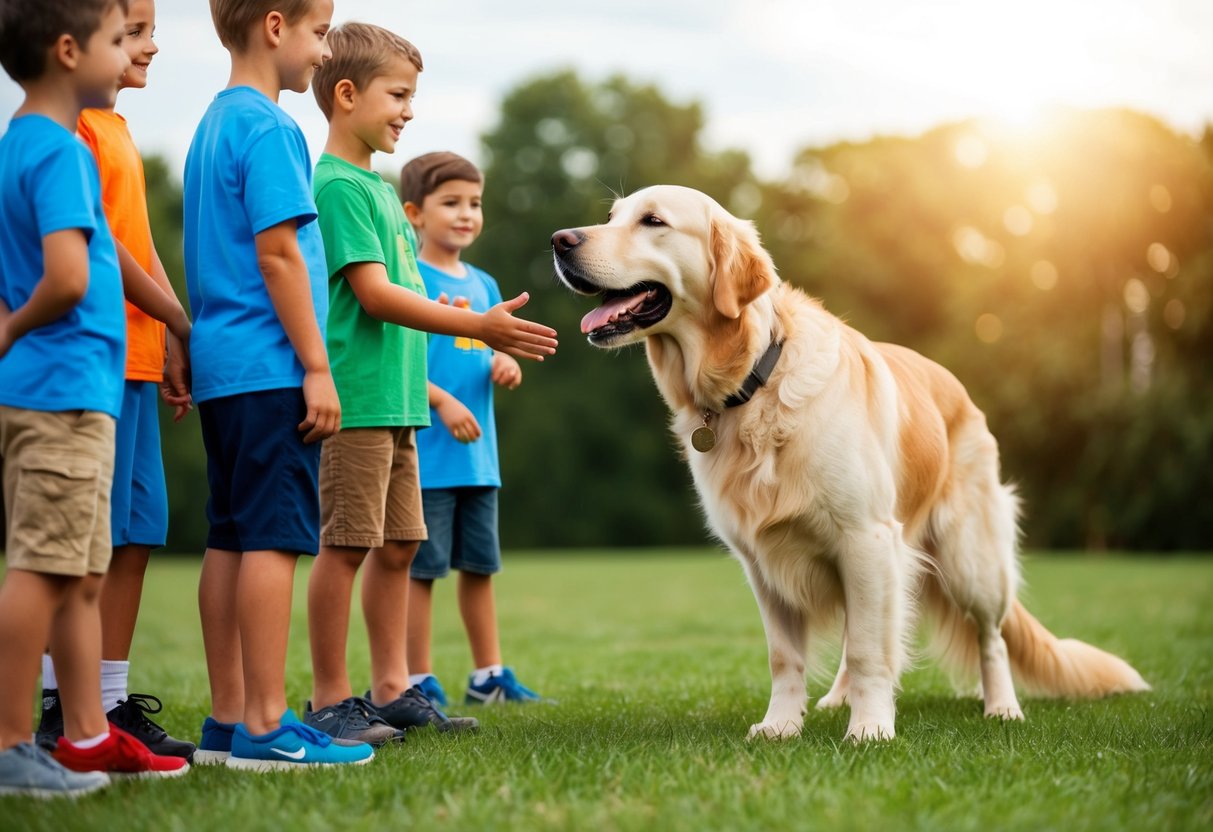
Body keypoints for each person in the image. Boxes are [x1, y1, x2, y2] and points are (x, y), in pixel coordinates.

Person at [305, 23, 557, 743]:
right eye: (398, 94)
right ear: (347, 94)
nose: (408, 110)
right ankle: (330, 697)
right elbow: (376, 296)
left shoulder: (382, 190)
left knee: (399, 547)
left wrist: (469, 320)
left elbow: (415, 294)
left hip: (399, 400)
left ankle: (393, 688)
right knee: (347, 545)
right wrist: (477, 327)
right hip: (357, 397)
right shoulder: (339, 186)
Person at [0, 0, 189, 796]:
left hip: (68, 386)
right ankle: (12, 742)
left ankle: (84, 737)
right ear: (71, 50)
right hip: (63, 386)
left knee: (80, 570)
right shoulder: (60, 150)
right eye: (121, 40)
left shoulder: (25, 143)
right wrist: (12, 327)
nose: (132, 53)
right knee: (45, 569)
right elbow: (72, 275)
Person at [183, 0, 372, 770]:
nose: (325, 51)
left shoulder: (209, 125)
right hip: (269, 367)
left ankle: (228, 722)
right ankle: (266, 725)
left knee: (228, 535)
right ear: (273, 26)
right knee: (272, 536)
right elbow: (281, 255)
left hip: (221, 368)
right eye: (318, 32)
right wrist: (317, 366)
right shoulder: (270, 127)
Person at [401, 152, 546, 707]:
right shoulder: (406, 278)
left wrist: (501, 363)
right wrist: (441, 401)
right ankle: (416, 678)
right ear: (415, 212)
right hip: (427, 457)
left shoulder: (485, 284)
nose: (466, 214)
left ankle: (488, 676)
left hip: (477, 460)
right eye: (451, 203)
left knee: (479, 568)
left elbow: (483, 348)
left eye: (475, 203)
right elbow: (399, 361)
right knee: (421, 570)